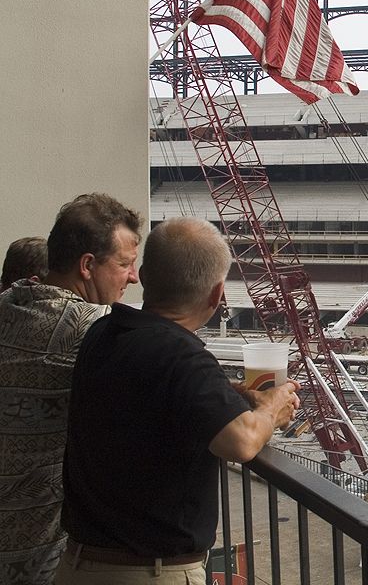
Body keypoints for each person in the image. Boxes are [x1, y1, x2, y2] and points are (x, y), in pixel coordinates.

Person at [57, 217, 300, 584]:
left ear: (144, 275)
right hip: (146, 572)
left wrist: (231, 395)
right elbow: (241, 442)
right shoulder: (181, 355)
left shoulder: (105, 332)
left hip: (78, 564)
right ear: (217, 294)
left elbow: (152, 394)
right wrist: (271, 408)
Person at [0, 194, 142, 585]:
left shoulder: (10, 302)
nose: (133, 278)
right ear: (87, 266)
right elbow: (170, 385)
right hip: (35, 559)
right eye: (126, 264)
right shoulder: (92, 327)